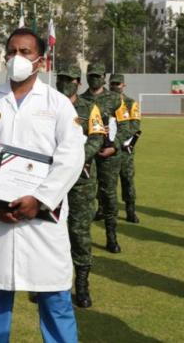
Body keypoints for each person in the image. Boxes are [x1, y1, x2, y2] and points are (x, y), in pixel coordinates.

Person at [0, 28, 84, 343]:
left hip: (43, 219)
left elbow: (72, 157)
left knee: (55, 299)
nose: (16, 58)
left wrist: (40, 199)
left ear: (40, 60)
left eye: (25, 52)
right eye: (11, 51)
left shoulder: (59, 104)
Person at [57, 64, 107, 309]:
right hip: (53, 180)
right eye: (61, 78)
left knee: (79, 232)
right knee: (52, 232)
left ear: (78, 82)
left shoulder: (89, 108)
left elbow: (97, 138)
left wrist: (75, 159)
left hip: (81, 180)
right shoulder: (49, 105)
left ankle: (82, 285)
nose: (65, 83)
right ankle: (48, 284)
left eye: (70, 79)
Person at [81, 63, 128, 253]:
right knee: (84, 198)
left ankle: (111, 237)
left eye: (98, 76)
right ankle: (82, 241)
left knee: (109, 196)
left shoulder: (115, 99)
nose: (94, 79)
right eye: (91, 76)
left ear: (104, 77)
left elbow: (128, 126)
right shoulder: (80, 100)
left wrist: (115, 145)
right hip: (86, 157)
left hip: (109, 156)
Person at [108, 73, 142, 223]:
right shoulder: (104, 102)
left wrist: (118, 139)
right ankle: (104, 210)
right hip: (108, 150)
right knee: (107, 182)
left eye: (117, 84)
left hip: (125, 150)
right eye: (112, 84)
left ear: (123, 85)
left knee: (127, 180)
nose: (114, 86)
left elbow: (134, 126)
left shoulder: (130, 103)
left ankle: (130, 210)